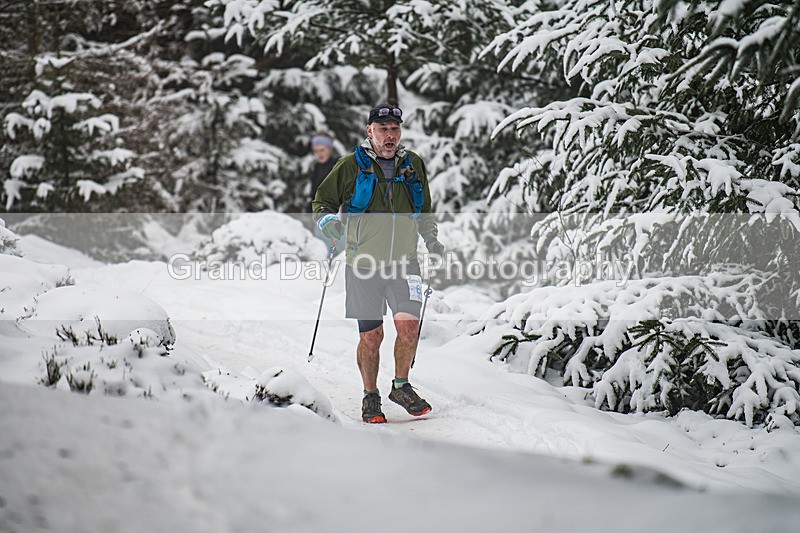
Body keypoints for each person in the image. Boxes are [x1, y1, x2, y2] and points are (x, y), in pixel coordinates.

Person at [312, 102, 446, 423]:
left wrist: (432, 240)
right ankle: (370, 396)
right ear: (369, 131)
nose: (390, 135)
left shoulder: (413, 164)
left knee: (409, 327)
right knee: (372, 337)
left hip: (405, 263)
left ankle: (400, 386)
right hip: (363, 265)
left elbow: (423, 209)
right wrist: (329, 222)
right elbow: (322, 201)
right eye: (383, 129)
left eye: (395, 129)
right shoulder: (350, 166)